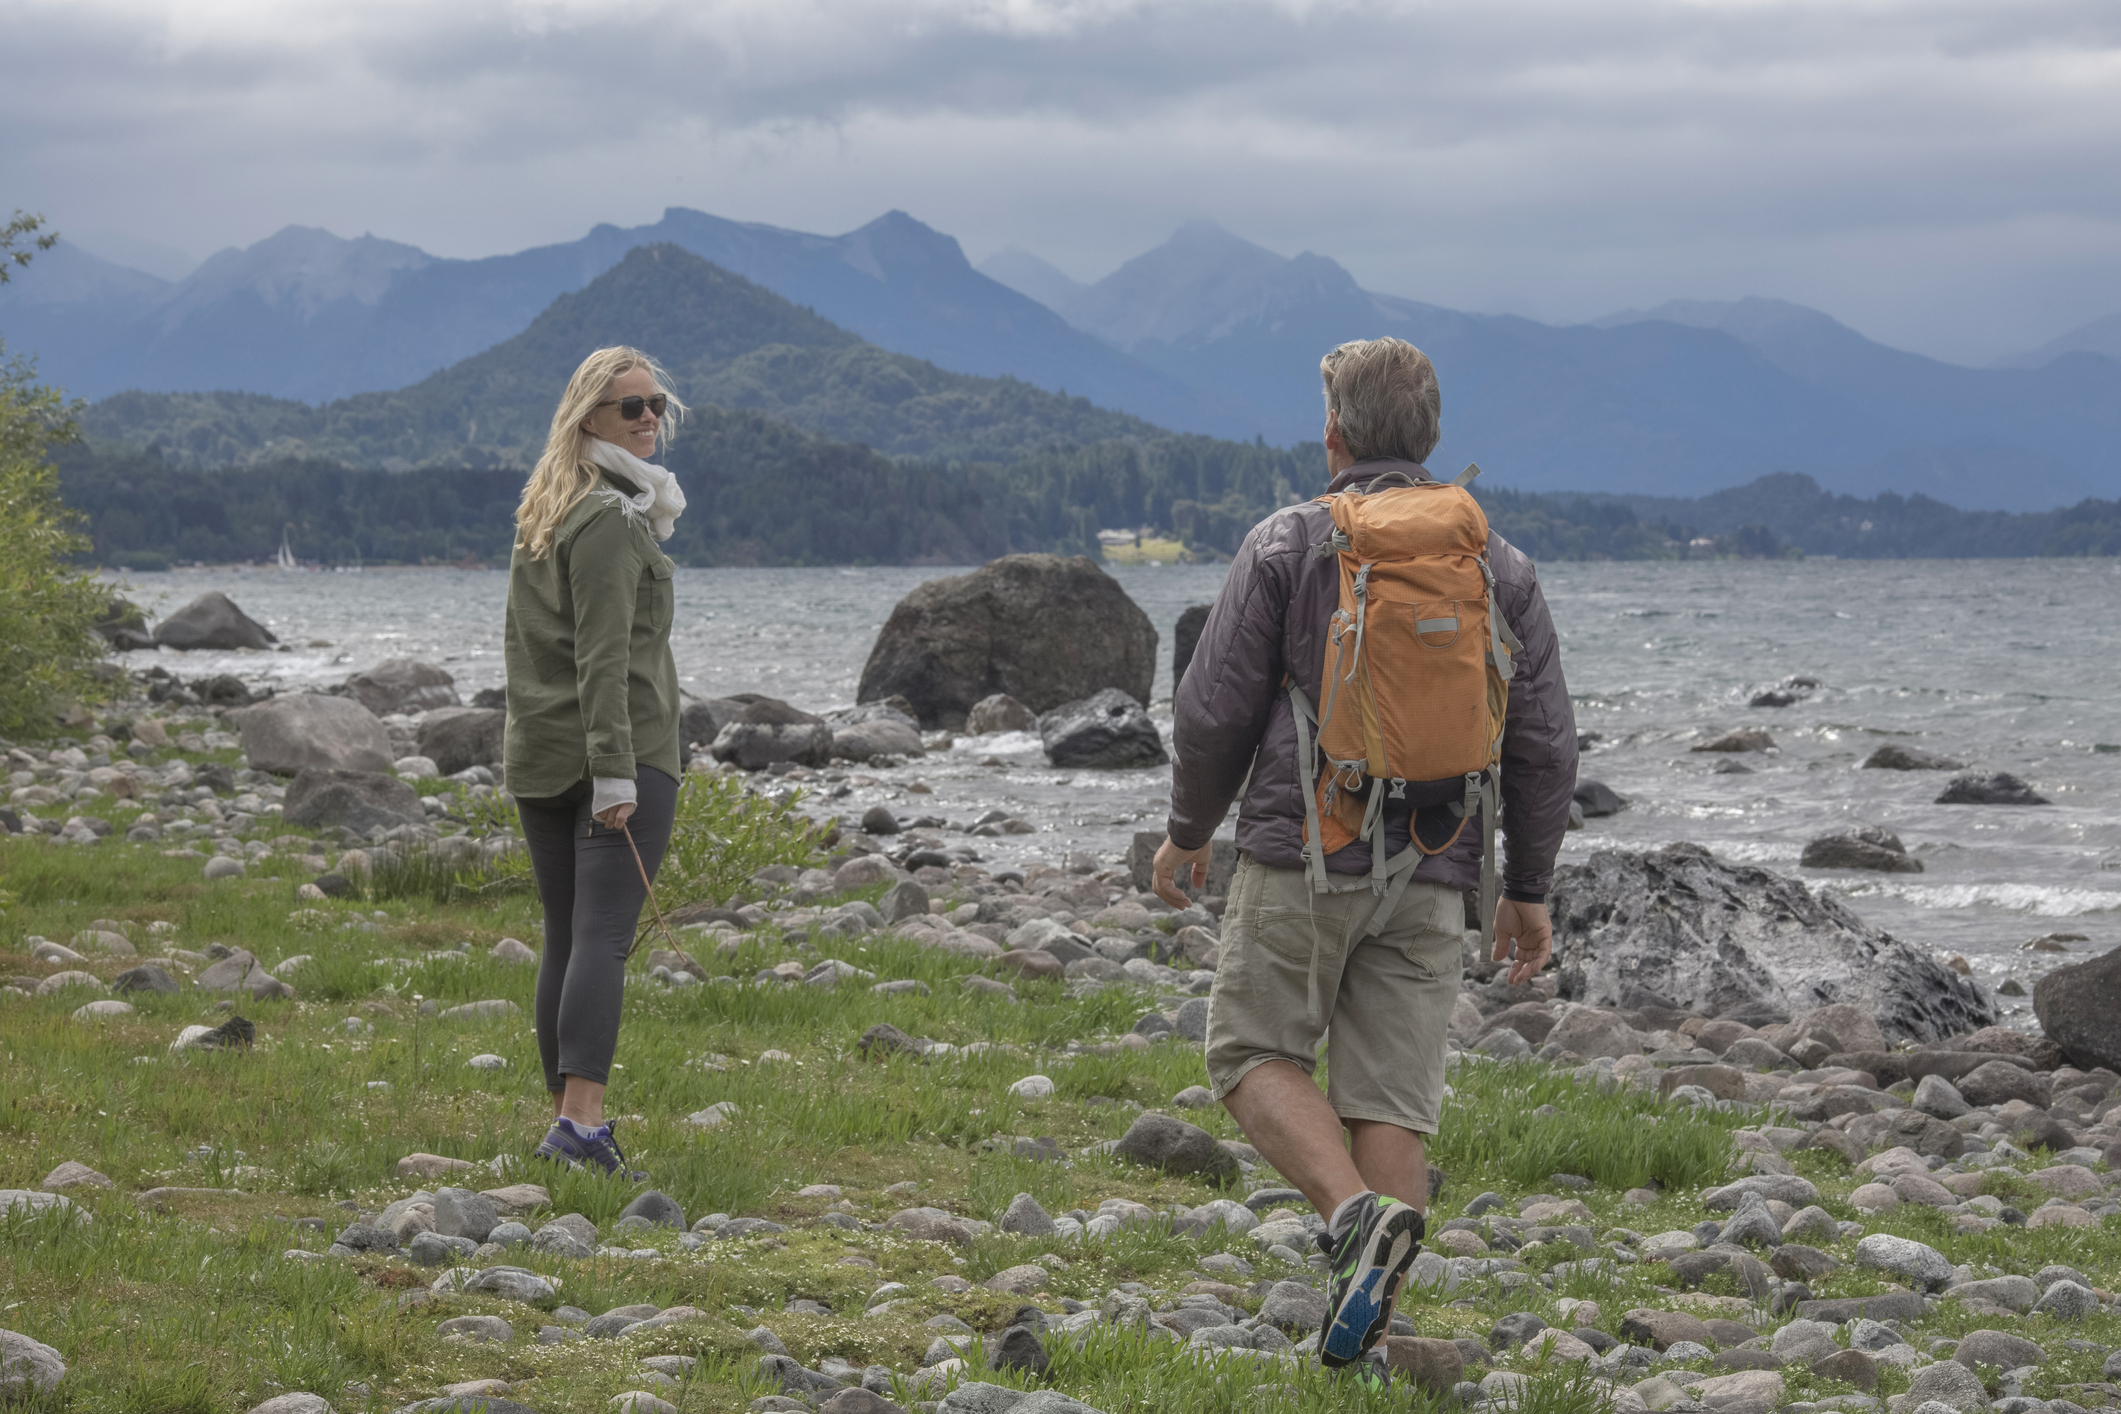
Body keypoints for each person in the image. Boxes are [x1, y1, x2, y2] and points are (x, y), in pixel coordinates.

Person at [1151, 336, 1577, 1368]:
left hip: (1304, 852)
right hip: (1438, 867)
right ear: (1431, 438)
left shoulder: (1290, 543)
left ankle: (1351, 1219)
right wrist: (1526, 887)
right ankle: (1373, 1336)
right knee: (1390, 1102)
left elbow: (1212, 714)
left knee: (1252, 1053)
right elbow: (1545, 741)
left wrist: (1187, 831)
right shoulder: (1495, 563)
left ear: (1333, 431)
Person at [503, 345, 689, 1177]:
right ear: (588, 419)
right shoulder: (611, 521)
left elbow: (531, 652)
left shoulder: (549, 509)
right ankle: (581, 1128)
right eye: (630, 408)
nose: (649, 419)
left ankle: (561, 1125)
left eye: (657, 405)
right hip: (620, 753)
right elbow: (603, 659)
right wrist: (616, 774)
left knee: (568, 938)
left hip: (541, 751)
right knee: (602, 940)